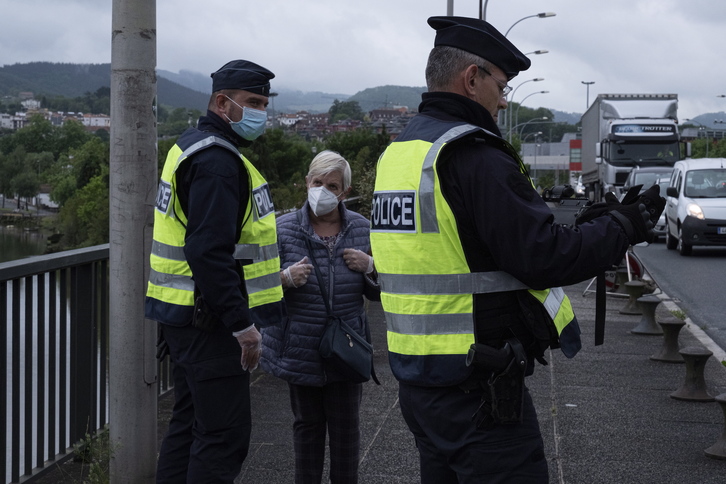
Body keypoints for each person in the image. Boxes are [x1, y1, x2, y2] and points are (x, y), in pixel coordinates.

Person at [369, 17, 665, 484]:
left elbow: (463, 247)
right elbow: (541, 257)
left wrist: (584, 227)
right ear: (472, 78)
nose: (504, 100)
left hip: (418, 380)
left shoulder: (401, 153)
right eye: (501, 85)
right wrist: (621, 227)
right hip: (479, 386)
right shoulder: (472, 153)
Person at [146, 59, 284, 484]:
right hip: (210, 323)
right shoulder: (220, 163)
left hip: (182, 316)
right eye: (253, 102)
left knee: (188, 426)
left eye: (264, 103)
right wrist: (243, 325)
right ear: (223, 103)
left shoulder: (189, 145)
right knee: (223, 437)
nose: (261, 112)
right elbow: (207, 251)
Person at [260, 150, 380, 484]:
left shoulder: (362, 228)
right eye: (318, 182)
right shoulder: (282, 229)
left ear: (344, 191)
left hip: (347, 348)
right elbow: (255, 285)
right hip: (300, 346)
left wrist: (371, 268)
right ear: (306, 183)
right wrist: (284, 278)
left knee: (346, 433)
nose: (323, 191)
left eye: (332, 185)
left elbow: (379, 292)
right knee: (307, 430)